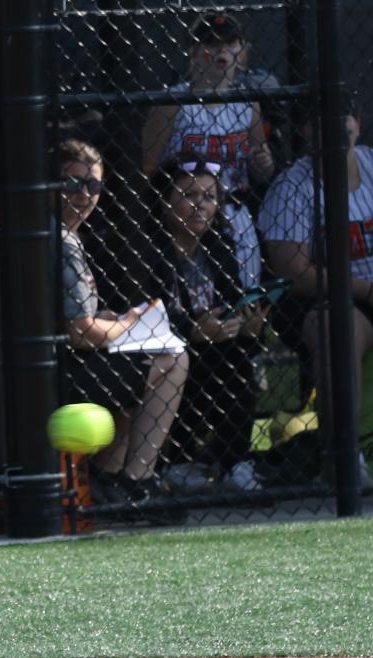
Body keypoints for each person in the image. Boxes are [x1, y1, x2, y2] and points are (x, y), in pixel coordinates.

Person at [258, 93, 373, 494]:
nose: (337, 125)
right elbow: (296, 271)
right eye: (320, 118)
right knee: (339, 328)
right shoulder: (292, 187)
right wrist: (371, 291)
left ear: (358, 121)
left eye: (345, 115)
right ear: (305, 131)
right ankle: (344, 456)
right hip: (335, 298)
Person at [56, 139, 189, 504]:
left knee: (145, 360)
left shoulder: (66, 235)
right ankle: (137, 482)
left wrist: (116, 320)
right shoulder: (61, 241)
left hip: (64, 363)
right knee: (174, 359)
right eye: (72, 183)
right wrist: (131, 325)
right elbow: (81, 333)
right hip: (59, 373)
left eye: (93, 185)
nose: (84, 194)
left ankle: (108, 479)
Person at [147, 153, 266, 490]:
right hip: (169, 350)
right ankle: (177, 461)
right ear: (165, 200)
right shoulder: (146, 252)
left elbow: (231, 303)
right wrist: (192, 332)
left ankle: (235, 463)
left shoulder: (220, 246)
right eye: (188, 196)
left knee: (238, 357)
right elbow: (146, 317)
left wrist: (249, 325)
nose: (200, 205)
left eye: (209, 196)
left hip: (218, 350)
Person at [141, 11, 276, 290]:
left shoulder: (247, 103)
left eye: (229, 43)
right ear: (193, 52)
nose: (221, 51)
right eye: (212, 44)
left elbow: (262, 168)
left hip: (234, 213)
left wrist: (263, 162)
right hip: (187, 215)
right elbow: (147, 167)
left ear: (243, 54)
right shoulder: (174, 102)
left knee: (241, 296)